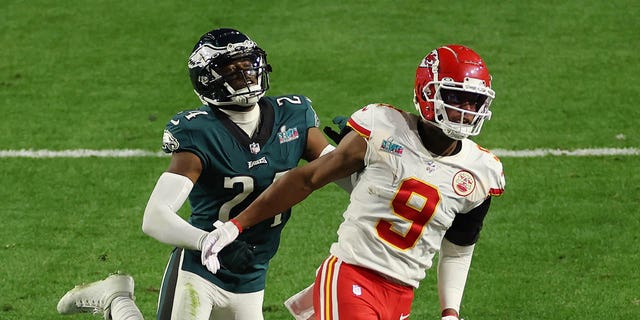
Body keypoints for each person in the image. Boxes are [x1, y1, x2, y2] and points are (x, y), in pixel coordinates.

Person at [199, 44, 506, 320]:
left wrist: (450, 311)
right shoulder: (383, 128)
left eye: (473, 101)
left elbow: (458, 250)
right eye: (455, 98)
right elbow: (307, 179)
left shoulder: (481, 171)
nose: (465, 111)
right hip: (352, 276)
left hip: (401, 295)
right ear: (426, 92)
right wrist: (235, 225)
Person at [57, 27, 344, 320]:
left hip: (252, 274)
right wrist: (207, 241)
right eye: (232, 71)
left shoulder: (291, 116)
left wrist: (358, 151)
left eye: (247, 65)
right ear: (209, 81)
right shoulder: (200, 132)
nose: (245, 76)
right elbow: (154, 216)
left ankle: (116, 294)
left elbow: (339, 171)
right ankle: (116, 297)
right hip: (201, 270)